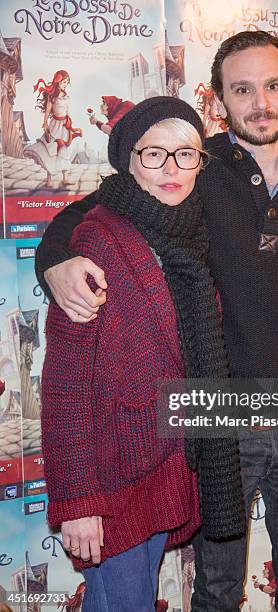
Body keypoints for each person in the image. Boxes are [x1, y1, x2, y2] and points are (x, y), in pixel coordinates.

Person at [35, 31, 278, 611]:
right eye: (241, 89)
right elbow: (92, 210)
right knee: (216, 590)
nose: (260, 102)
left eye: (273, 86)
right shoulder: (198, 166)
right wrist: (56, 263)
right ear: (219, 99)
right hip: (216, 417)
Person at [40, 97, 244, 612]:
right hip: (111, 487)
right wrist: (78, 502)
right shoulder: (97, 240)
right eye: (154, 154)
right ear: (128, 160)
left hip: (167, 469)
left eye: (186, 154)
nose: (171, 168)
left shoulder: (193, 231)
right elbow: (66, 387)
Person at [24, 70, 82, 188]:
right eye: (64, 82)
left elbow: (68, 110)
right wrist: (45, 123)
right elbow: (48, 111)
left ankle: (65, 178)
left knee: (64, 150)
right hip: (55, 125)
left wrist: (71, 125)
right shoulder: (52, 96)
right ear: (57, 81)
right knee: (51, 150)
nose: (65, 84)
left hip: (65, 126)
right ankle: (49, 178)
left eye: (67, 82)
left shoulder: (66, 96)